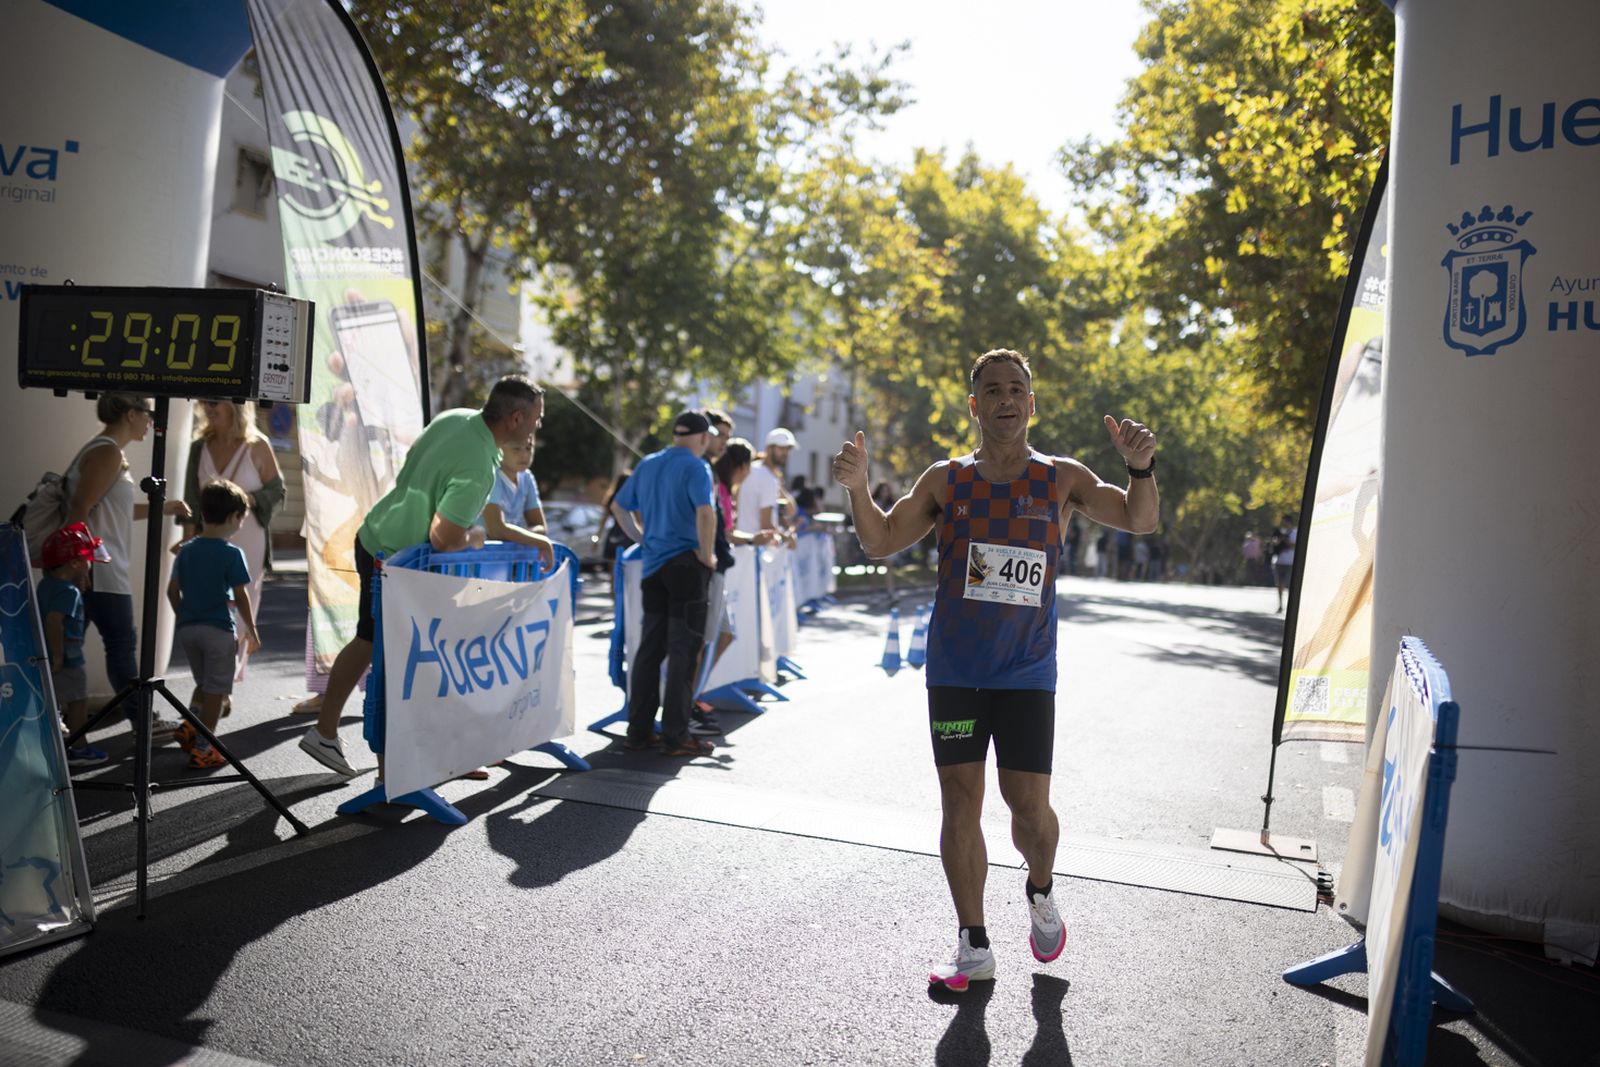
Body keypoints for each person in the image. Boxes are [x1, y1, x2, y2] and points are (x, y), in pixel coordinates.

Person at [832, 348, 1158, 991]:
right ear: (975, 405)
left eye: (1017, 389)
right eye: (992, 390)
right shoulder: (946, 479)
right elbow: (880, 540)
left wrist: (1140, 468)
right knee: (960, 800)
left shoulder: (1061, 477)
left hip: (1027, 673)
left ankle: (1039, 888)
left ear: (1031, 404)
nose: (1006, 399)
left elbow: (1138, 519)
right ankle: (973, 943)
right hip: (955, 669)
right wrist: (858, 489)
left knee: (1027, 807)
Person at [297, 375, 545, 776]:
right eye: (536, 418)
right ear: (516, 417)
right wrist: (475, 537)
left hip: (380, 538)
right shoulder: (480, 464)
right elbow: (444, 538)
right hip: (400, 561)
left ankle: (341, 737)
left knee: (377, 644)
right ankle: (392, 770)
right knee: (403, 661)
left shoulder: (457, 418)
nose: (537, 426)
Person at [62, 394, 192, 732]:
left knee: (73, 648)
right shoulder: (106, 451)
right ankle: (142, 722)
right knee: (120, 646)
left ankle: (61, 721)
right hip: (98, 570)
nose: (152, 421)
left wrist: (163, 507)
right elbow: (79, 508)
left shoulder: (106, 451)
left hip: (96, 568)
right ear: (131, 414)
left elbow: (109, 510)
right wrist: (82, 562)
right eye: (148, 413)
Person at [609, 411, 719, 757]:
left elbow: (618, 506)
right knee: (683, 654)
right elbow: (705, 512)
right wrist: (707, 555)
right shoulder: (697, 466)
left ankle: (638, 731)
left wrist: (644, 540)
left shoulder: (649, 463)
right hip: (686, 566)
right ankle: (676, 736)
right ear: (702, 438)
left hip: (654, 568)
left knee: (649, 652)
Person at [180, 399, 284, 695]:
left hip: (248, 534)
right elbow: (191, 498)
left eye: (215, 403)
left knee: (241, 600)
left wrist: (247, 500)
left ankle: (223, 682)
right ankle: (214, 679)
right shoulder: (198, 447)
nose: (208, 408)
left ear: (236, 407)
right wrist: (188, 539)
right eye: (204, 402)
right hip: (208, 539)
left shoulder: (257, 445)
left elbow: (278, 492)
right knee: (209, 603)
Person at [167, 481, 261, 770]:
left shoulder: (186, 550)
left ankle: (190, 724)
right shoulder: (231, 553)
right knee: (217, 692)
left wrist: (183, 616)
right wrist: (252, 630)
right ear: (234, 516)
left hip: (189, 630)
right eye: (242, 518)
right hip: (219, 630)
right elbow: (242, 595)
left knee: (203, 683)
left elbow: (172, 591)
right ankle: (205, 746)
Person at [38, 524, 109, 768]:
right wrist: (58, 655)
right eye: (88, 559)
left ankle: (52, 744)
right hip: (68, 656)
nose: (91, 563)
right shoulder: (68, 592)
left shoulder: (46, 585)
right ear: (76, 563)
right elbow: (54, 620)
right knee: (79, 701)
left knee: (52, 700)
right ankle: (78, 748)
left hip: (46, 653)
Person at [477, 433, 555, 565]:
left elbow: (542, 527)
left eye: (529, 448)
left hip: (503, 562)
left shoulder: (527, 477)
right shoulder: (491, 475)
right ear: (498, 448)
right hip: (478, 559)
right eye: (516, 449)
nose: (524, 455)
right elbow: (496, 530)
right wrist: (541, 542)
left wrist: (513, 535)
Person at [736, 427, 797, 536]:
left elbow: (791, 510)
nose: (786, 453)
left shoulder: (754, 469)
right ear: (769, 448)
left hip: (744, 542)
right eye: (782, 448)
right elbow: (766, 524)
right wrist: (786, 538)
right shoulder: (767, 477)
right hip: (755, 545)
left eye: (788, 449)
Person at [1271, 515, 1298, 612]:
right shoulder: (1279, 532)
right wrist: (1278, 540)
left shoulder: (1294, 532)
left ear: (1289, 522)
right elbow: (1274, 543)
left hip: (1290, 562)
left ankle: (1292, 607)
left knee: (1290, 585)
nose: (1283, 524)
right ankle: (1280, 605)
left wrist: (1284, 539)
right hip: (1279, 562)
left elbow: (1294, 546)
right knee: (1279, 585)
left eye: (1284, 522)